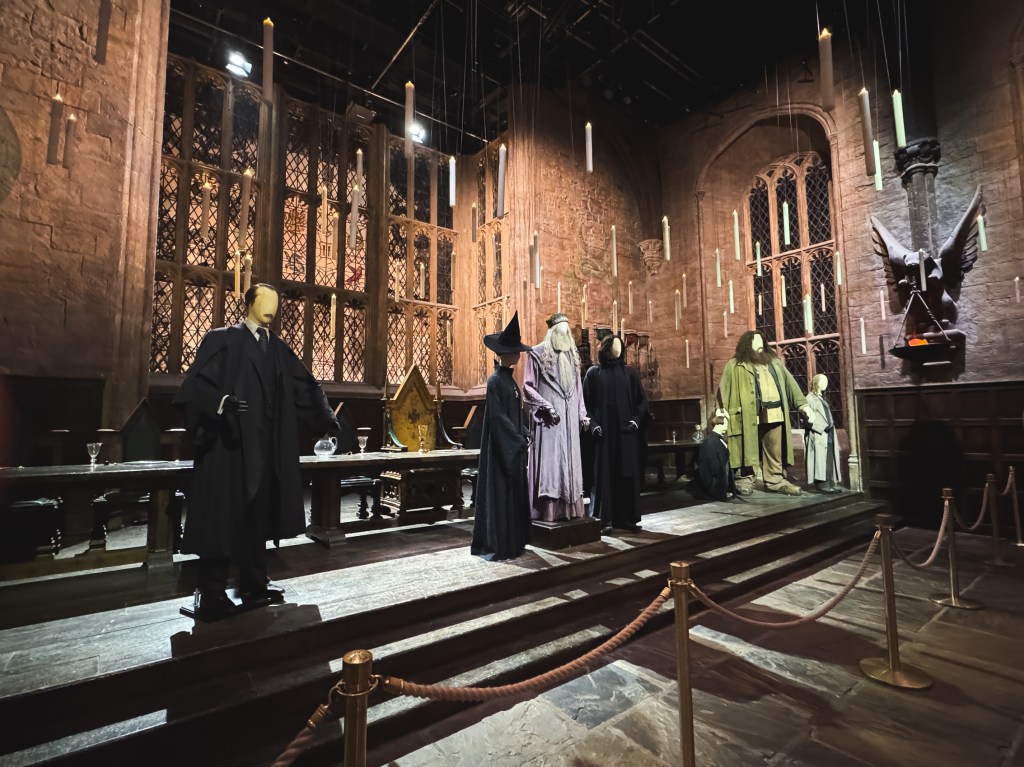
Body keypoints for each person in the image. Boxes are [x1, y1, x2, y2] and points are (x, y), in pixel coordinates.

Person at [174, 283, 343, 621]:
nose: (272, 307)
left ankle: (254, 584)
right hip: (230, 447)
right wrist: (220, 403)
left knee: (258, 516)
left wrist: (326, 419)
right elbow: (194, 387)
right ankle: (211, 593)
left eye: (276, 302)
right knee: (223, 518)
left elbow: (305, 386)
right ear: (249, 303)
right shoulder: (221, 339)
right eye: (265, 300)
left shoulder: (277, 348)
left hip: (267, 449)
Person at [717, 330, 816, 496]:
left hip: (775, 412)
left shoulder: (774, 363)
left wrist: (803, 406)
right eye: (755, 342)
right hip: (748, 414)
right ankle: (745, 478)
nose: (759, 346)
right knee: (747, 446)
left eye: (761, 342)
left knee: (774, 448)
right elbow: (724, 389)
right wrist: (721, 412)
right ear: (746, 345)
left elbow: (791, 384)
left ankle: (775, 480)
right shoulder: (734, 365)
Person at [471, 312, 533, 561]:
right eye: (516, 351)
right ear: (506, 353)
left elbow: (515, 413)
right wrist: (517, 439)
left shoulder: (509, 380)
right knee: (501, 493)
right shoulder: (495, 381)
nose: (519, 355)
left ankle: (514, 542)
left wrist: (525, 431)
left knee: (514, 493)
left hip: (513, 448)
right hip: (501, 451)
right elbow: (498, 418)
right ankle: (500, 544)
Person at [523, 313, 589, 521]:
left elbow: (578, 389)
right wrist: (545, 406)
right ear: (551, 332)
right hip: (549, 422)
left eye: (567, 332)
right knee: (550, 465)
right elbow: (527, 387)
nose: (565, 336)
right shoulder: (536, 353)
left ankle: (571, 509)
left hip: (570, 423)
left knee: (570, 464)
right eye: (561, 332)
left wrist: (582, 414)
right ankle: (548, 510)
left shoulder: (572, 356)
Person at [583, 334, 648, 532]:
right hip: (603, 435)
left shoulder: (630, 373)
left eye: (620, 346)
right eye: (614, 345)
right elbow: (585, 404)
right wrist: (593, 425)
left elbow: (641, 401)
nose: (618, 349)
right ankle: (602, 519)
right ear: (606, 348)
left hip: (626, 432)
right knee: (603, 476)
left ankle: (626, 519)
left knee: (626, 473)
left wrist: (636, 421)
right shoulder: (594, 373)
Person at [804, 374, 842, 493]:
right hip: (819, 435)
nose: (826, 384)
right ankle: (822, 484)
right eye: (823, 381)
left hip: (829, 434)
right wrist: (819, 428)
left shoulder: (822, 398)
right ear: (817, 383)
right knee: (820, 459)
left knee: (829, 457)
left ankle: (830, 482)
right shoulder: (810, 398)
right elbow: (806, 418)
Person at [691, 409, 738, 501]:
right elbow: (712, 467)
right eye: (726, 423)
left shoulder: (718, 439)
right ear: (719, 424)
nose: (727, 426)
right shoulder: (711, 441)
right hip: (713, 484)